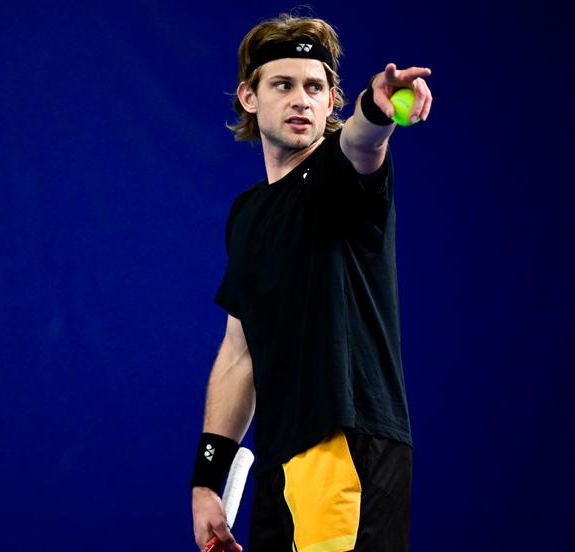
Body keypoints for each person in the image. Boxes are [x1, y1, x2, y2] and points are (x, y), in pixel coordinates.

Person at [191, 11, 432, 552]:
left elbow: (365, 141)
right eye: (283, 84)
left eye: (315, 87)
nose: (302, 98)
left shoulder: (339, 174)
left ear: (331, 104)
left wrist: (378, 104)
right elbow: (239, 354)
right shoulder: (247, 213)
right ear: (249, 97)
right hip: (282, 459)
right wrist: (208, 478)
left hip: (345, 443)